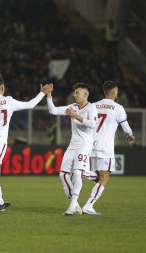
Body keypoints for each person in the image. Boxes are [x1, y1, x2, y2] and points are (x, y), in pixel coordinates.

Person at [0, 77, 53, 211]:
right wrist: (42, 93)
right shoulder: (8, 101)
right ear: (2, 88)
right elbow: (30, 104)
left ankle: (1, 203)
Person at [82, 81, 135, 215]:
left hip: (90, 145)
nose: (117, 93)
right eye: (117, 91)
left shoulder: (93, 105)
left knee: (100, 175)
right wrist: (130, 135)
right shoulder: (118, 108)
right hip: (105, 147)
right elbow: (126, 127)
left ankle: (82, 174)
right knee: (105, 177)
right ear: (113, 93)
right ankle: (88, 204)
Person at [47, 82, 97, 215]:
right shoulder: (72, 107)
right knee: (63, 174)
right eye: (74, 92)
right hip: (73, 145)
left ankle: (73, 204)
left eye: (77, 92)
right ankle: (75, 204)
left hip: (84, 145)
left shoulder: (91, 108)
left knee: (77, 172)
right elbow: (53, 110)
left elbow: (93, 124)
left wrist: (76, 116)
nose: (75, 95)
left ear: (86, 94)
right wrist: (48, 95)